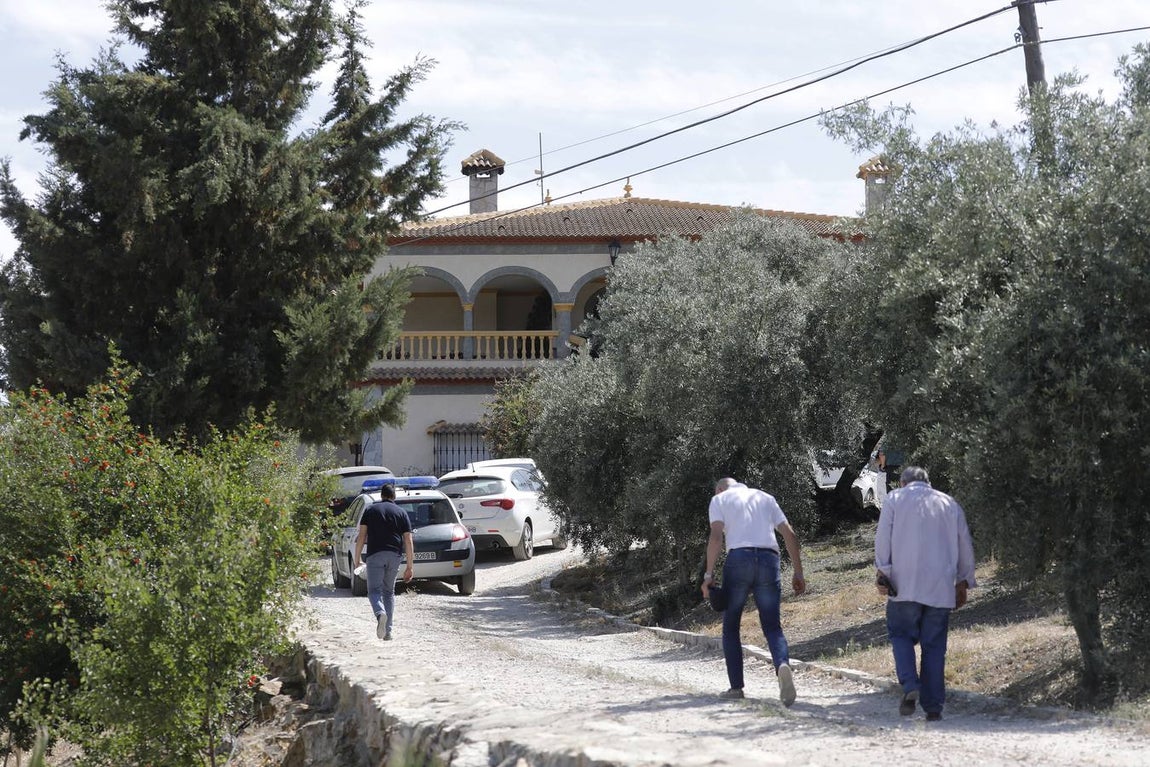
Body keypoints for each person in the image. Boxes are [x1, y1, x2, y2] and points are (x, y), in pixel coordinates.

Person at [874, 465, 976, 721]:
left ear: (902, 483)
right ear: (928, 483)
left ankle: (910, 685)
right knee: (934, 646)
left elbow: (883, 537)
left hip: (903, 585)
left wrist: (883, 572)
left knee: (900, 635)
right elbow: (964, 543)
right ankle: (933, 707)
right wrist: (963, 581)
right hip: (940, 587)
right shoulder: (949, 503)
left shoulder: (894, 499)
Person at [702, 477, 806, 706]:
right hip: (769, 559)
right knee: (772, 626)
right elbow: (789, 534)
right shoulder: (765, 498)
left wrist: (708, 575)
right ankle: (782, 664)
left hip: (739, 559)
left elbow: (716, 537)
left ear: (719, 489)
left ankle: (736, 688)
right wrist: (798, 572)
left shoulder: (719, 499)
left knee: (731, 626)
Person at [354, 483, 415, 641]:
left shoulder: (370, 510)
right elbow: (408, 540)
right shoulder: (401, 512)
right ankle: (388, 632)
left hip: (375, 555)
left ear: (381, 496)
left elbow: (362, 536)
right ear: (394, 496)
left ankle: (380, 613)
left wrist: (357, 558)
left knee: (374, 591)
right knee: (389, 592)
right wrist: (409, 566)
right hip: (394, 555)